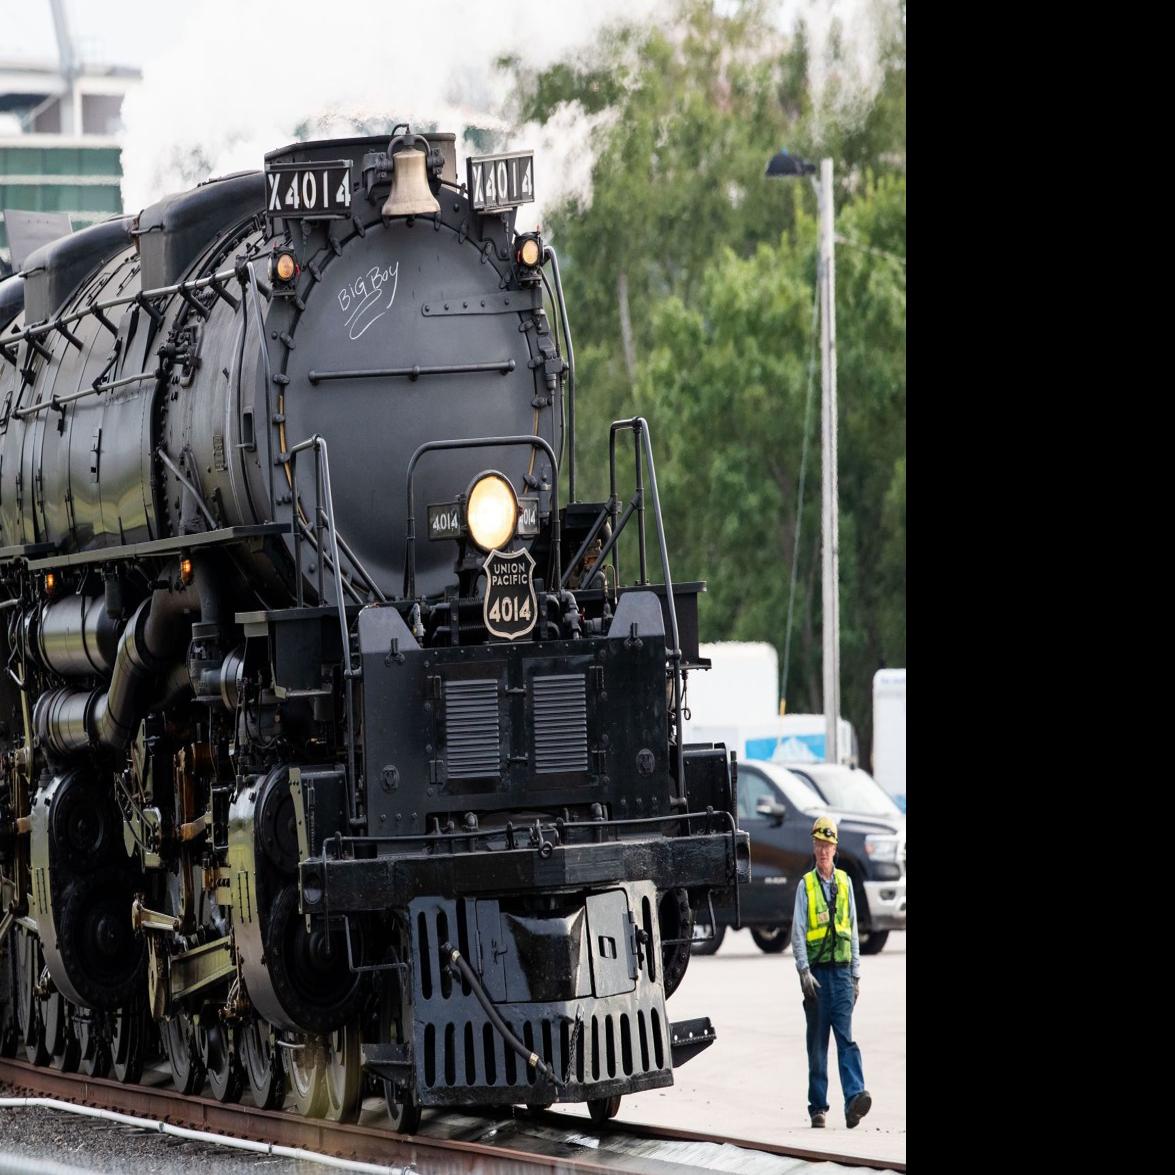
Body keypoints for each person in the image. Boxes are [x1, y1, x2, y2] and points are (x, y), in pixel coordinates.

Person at [791, 814, 871, 1129]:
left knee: (847, 1039)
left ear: (835, 849)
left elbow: (851, 929)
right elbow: (797, 932)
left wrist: (856, 976)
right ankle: (818, 1107)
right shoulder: (806, 886)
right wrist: (802, 972)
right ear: (814, 848)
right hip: (817, 978)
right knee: (817, 1045)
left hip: (840, 975)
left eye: (828, 845)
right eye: (819, 845)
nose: (824, 851)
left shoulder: (845, 883)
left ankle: (855, 1100)